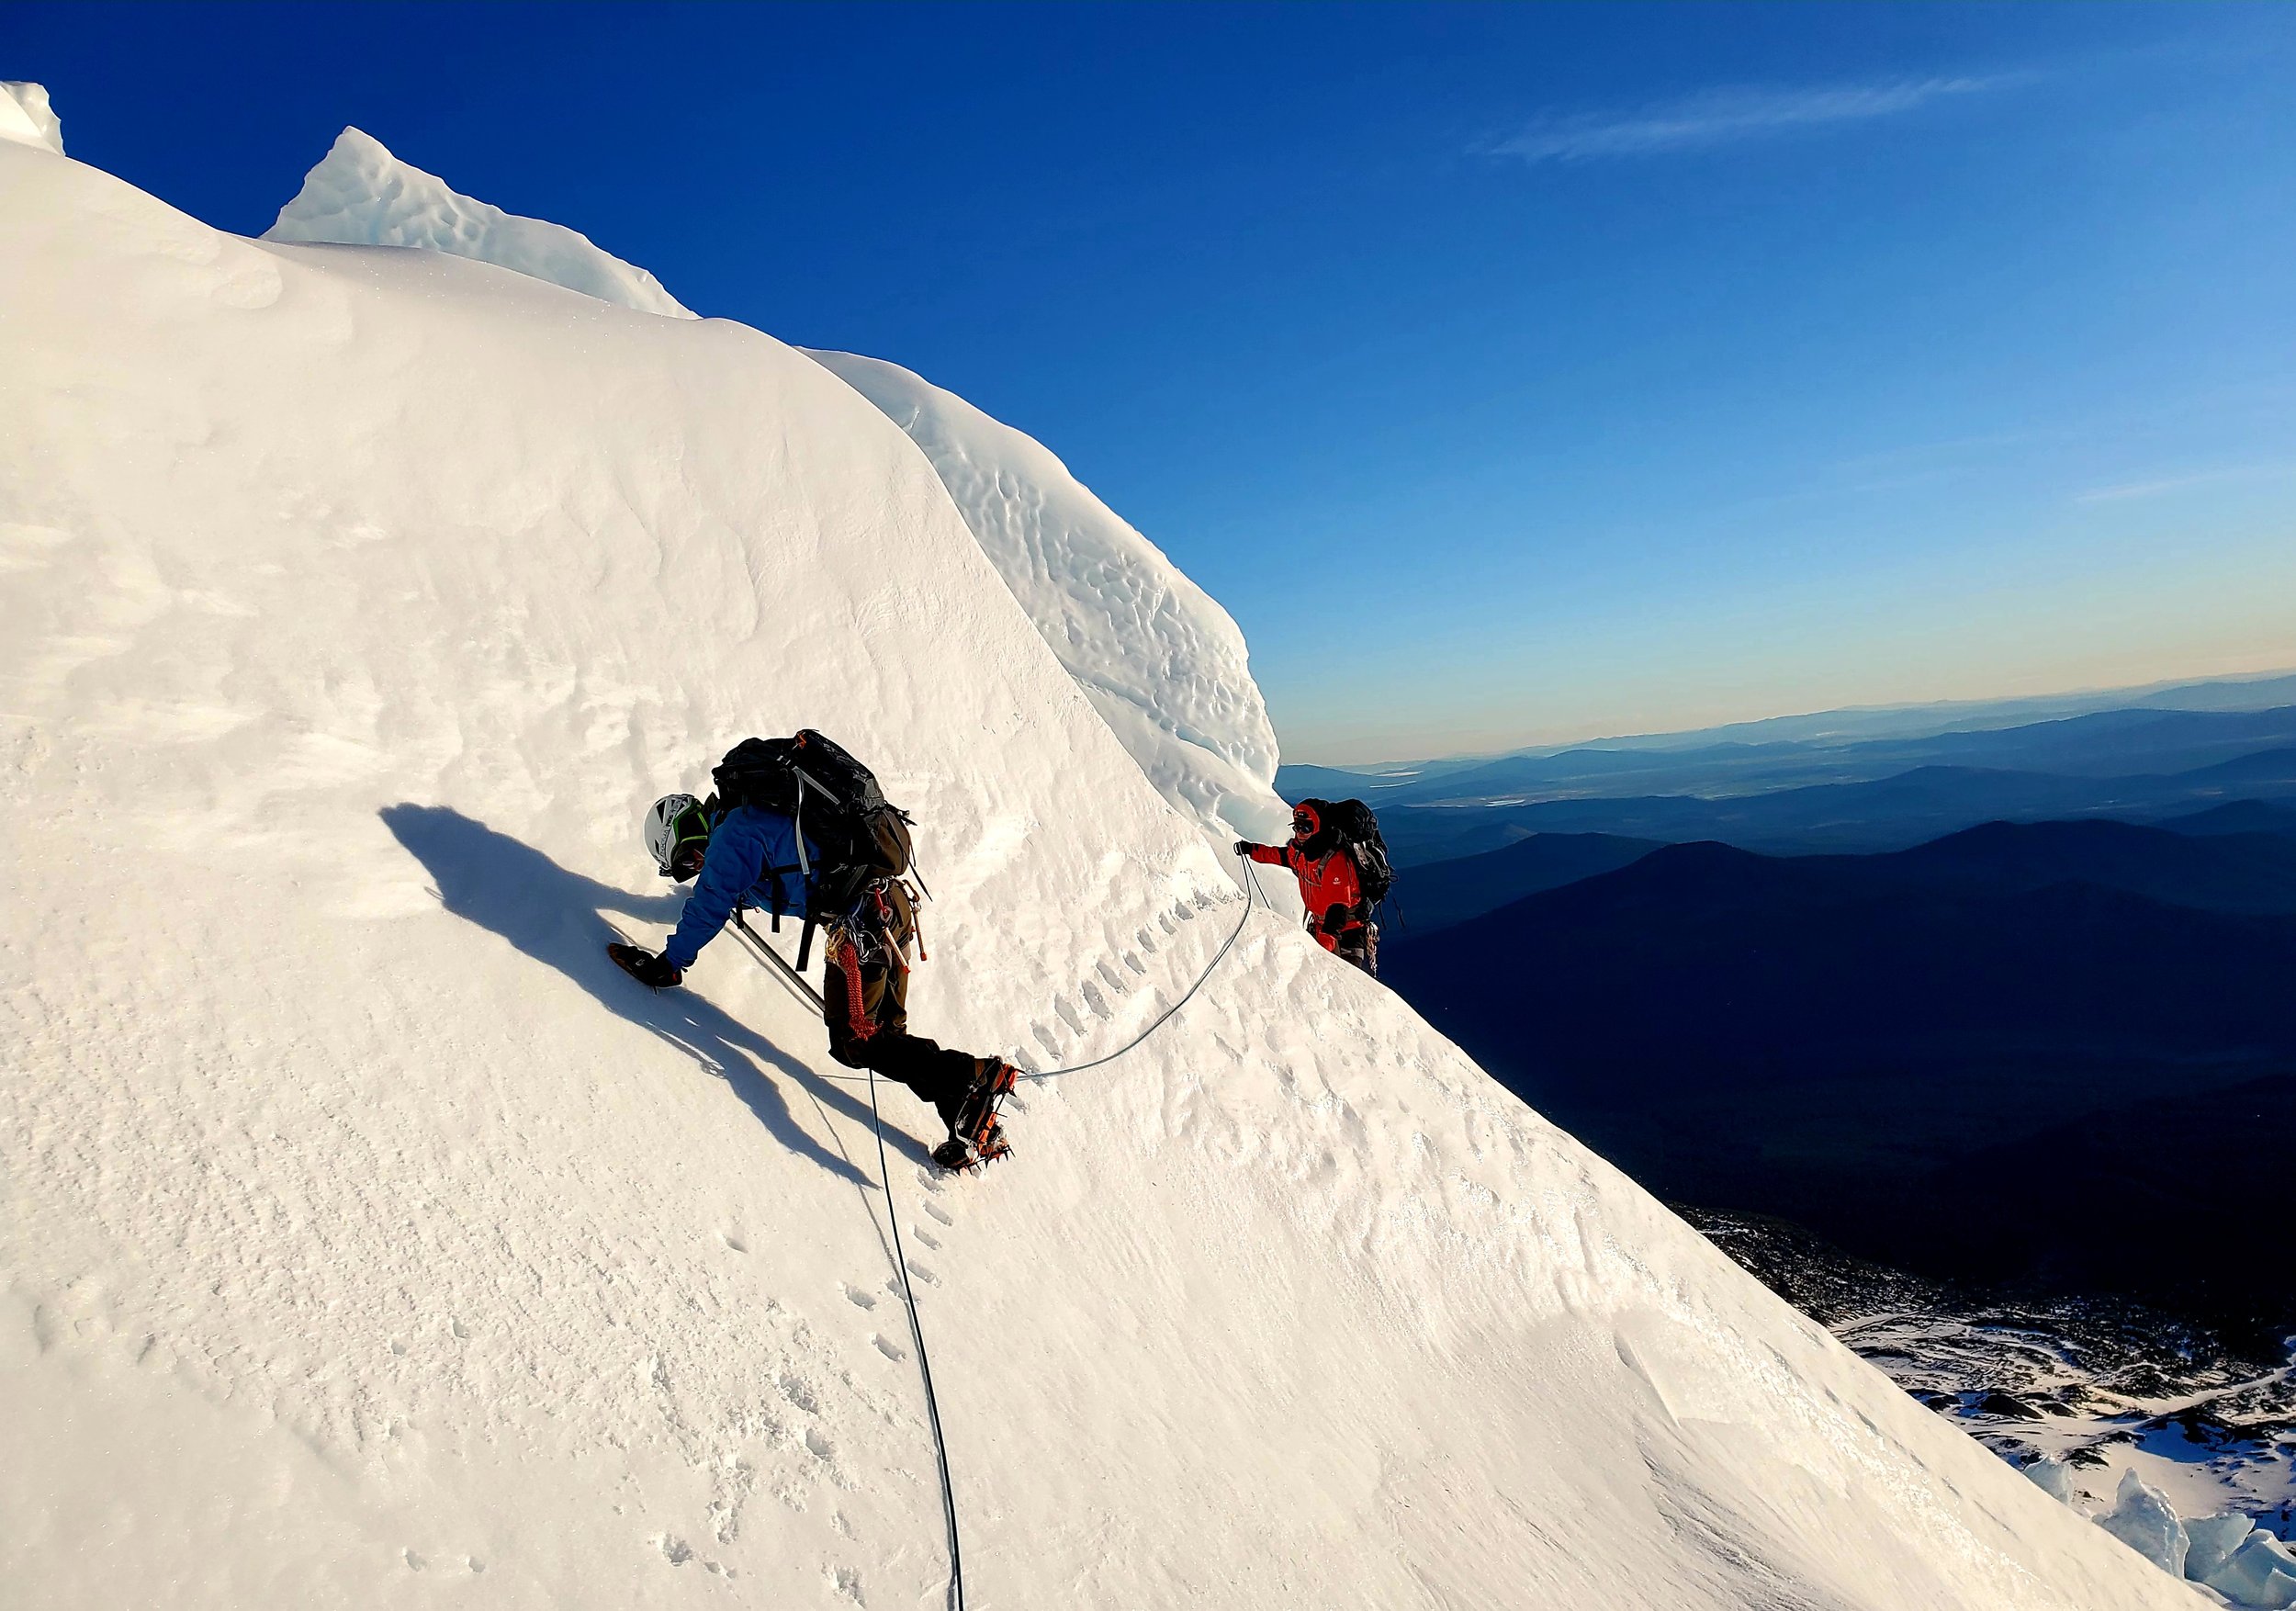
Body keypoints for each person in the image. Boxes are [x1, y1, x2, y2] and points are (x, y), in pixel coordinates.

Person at [610, 789, 1016, 1165]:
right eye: (685, 869)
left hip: (861, 930)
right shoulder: (750, 823)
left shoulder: (732, 837)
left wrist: (669, 962)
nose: (696, 868)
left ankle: (969, 1075)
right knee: (885, 1037)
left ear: (691, 826)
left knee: (855, 1041)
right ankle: (970, 1116)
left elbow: (709, 903)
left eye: (688, 858)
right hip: (891, 909)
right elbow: (738, 889)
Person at [1236, 801, 1376, 974]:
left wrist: (1326, 942)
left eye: (1306, 828)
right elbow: (1279, 856)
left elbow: (1338, 906)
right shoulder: (1300, 852)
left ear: (1319, 827)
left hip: (1346, 932)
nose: (1300, 833)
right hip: (1320, 926)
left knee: (1345, 983)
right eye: (1297, 827)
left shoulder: (1334, 860)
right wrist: (1251, 849)